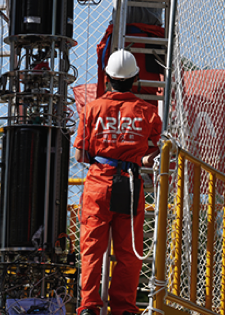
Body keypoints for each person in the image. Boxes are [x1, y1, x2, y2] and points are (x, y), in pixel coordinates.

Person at [74, 50, 163, 315]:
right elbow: (155, 151)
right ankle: (124, 308)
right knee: (128, 251)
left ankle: (89, 306)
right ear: (135, 78)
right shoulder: (147, 112)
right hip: (130, 184)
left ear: (108, 78)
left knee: (92, 249)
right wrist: (137, 157)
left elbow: (80, 154)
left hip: (98, 183)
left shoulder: (92, 108)